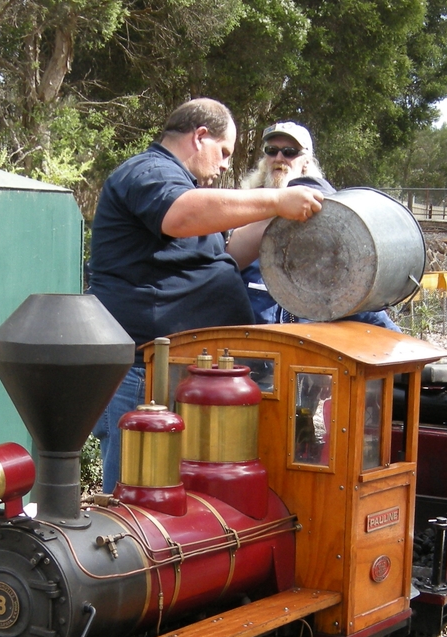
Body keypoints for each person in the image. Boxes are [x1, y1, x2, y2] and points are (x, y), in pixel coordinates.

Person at [87, 98, 324, 493]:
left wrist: (281, 213)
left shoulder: (185, 188)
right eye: (224, 151)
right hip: (149, 374)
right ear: (200, 137)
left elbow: (225, 258)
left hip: (188, 371)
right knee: (137, 500)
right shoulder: (149, 171)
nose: (226, 164)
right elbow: (182, 214)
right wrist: (275, 200)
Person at [240, 121, 400, 331]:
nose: (279, 158)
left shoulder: (329, 214)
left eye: (289, 152)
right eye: (272, 151)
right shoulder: (245, 211)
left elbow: (360, 297)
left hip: (313, 350)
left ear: (306, 161)